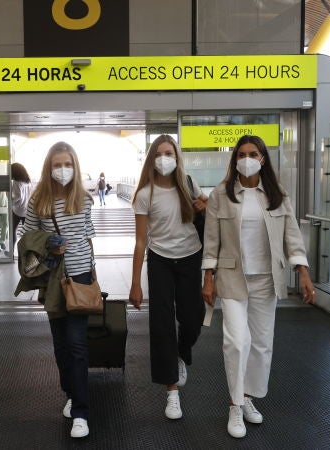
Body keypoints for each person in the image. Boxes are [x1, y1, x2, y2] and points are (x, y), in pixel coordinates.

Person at [200, 134, 315, 439]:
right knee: (237, 342)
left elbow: (292, 236)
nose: (247, 159)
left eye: (253, 154)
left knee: (262, 345)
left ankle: (247, 397)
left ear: (263, 159)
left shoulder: (277, 194)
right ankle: (235, 405)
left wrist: (303, 272)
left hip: (267, 278)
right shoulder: (221, 194)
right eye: (241, 154)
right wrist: (208, 278)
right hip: (232, 277)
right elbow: (211, 241)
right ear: (234, 159)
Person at [17, 141, 96, 439]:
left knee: (77, 344)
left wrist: (93, 272)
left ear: (75, 166)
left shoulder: (84, 198)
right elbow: (26, 236)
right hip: (53, 280)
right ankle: (71, 392)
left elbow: (88, 236)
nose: (63, 169)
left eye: (68, 164)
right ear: (48, 168)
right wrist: (48, 243)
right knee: (61, 345)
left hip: (80, 277)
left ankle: (81, 412)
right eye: (57, 164)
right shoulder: (39, 200)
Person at [129, 134, 208, 420]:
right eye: (159, 154)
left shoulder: (189, 184)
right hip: (160, 260)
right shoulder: (144, 194)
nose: (164, 159)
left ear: (177, 157)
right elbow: (140, 241)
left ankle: (181, 352)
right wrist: (135, 283)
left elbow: (209, 212)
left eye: (169, 153)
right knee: (162, 324)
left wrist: (206, 206)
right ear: (152, 159)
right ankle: (171, 391)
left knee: (193, 316)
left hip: (190, 257)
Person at [10, 162, 31, 244]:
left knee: (12, 230)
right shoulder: (28, 181)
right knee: (27, 233)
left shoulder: (16, 182)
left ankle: (12, 249)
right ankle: (26, 249)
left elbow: (18, 198)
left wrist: (10, 201)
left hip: (18, 211)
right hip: (27, 210)